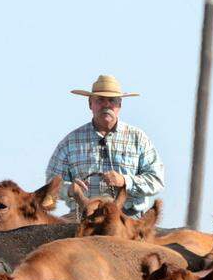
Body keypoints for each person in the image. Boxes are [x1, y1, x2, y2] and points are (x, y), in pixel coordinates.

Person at [47, 74, 165, 217]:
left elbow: (157, 179)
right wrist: (70, 189)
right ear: (90, 104)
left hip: (128, 219)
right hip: (83, 218)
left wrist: (125, 181)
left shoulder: (138, 138)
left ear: (119, 104)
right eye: (100, 100)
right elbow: (51, 184)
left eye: (112, 100)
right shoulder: (70, 142)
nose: (106, 105)